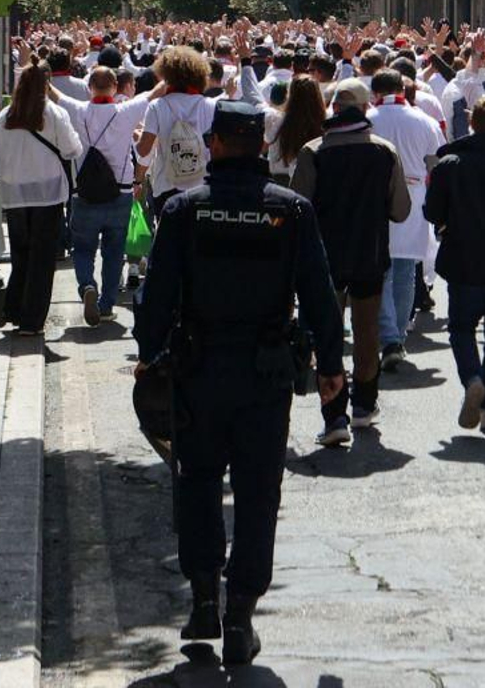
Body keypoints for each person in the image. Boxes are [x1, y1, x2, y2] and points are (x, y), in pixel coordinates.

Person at [132, 101, 347, 666]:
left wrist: (148, 352)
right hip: (265, 372)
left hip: (198, 369)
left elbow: (156, 296)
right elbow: (320, 293)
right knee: (257, 493)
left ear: (217, 145)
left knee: (198, 480)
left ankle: (204, 595)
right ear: (260, 148)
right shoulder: (290, 211)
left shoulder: (184, 211)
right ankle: (241, 614)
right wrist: (331, 366)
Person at [292, 78, 411, 445]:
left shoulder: (313, 151)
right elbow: (400, 210)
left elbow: (299, 205)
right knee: (367, 334)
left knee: (328, 337)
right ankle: (364, 404)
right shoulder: (384, 151)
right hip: (369, 254)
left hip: (324, 258)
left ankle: (334, 416)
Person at [425, 94, 485, 430]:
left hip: (463, 257)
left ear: (471, 123)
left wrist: (447, 221)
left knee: (461, 328)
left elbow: (432, 211)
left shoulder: (451, 163)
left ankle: (472, 378)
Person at [54, 66, 155, 325]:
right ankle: (107, 304)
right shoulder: (125, 111)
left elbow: (53, 94)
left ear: (90, 88)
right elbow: (154, 93)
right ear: (115, 87)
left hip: (85, 193)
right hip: (120, 193)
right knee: (114, 251)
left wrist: (35, 69)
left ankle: (87, 285)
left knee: (83, 248)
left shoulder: (78, 109)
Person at [0, 64, 83, 336]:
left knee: (21, 255)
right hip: (47, 194)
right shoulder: (54, 113)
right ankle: (31, 320)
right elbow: (71, 149)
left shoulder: (6, 116)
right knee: (42, 260)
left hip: (14, 194)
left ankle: (15, 309)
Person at [368, 68, 443, 370]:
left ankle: (391, 339)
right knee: (406, 268)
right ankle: (396, 334)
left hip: (376, 197)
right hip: (413, 195)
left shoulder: (368, 119)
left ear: (375, 92)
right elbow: (436, 161)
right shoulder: (423, 120)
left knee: (383, 270)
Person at [138, 46, 217, 213]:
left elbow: (144, 150)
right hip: (202, 187)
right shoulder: (211, 106)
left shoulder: (157, 106)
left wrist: (135, 135)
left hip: (166, 186)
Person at [268, 75, 327, 187]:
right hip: (316, 182)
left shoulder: (277, 121)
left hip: (281, 182)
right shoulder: (325, 122)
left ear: (290, 96)